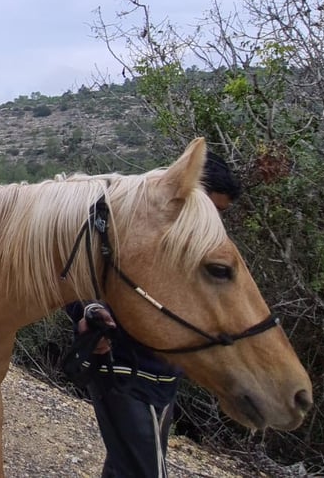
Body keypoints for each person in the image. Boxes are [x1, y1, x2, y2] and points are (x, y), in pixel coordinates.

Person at [66, 151, 243, 478]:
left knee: (124, 467)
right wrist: (91, 311)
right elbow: (72, 274)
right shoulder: (129, 229)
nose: (215, 222)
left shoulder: (195, 253)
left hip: (164, 381)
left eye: (221, 214)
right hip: (121, 372)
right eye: (212, 210)